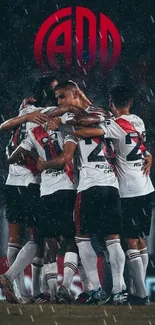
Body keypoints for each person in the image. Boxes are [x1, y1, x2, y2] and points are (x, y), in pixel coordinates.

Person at [70, 85, 154, 305]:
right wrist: (149, 156)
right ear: (131, 102)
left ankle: (140, 294)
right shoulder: (138, 121)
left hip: (128, 190)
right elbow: (140, 145)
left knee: (130, 241)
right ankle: (134, 289)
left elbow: (88, 129)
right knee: (140, 241)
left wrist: (70, 127)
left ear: (111, 103)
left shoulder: (113, 126)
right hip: (146, 187)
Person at [47, 81, 126, 305]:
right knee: (112, 238)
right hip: (110, 184)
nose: (60, 102)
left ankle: (99, 290)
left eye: (62, 97)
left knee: (82, 238)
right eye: (58, 99)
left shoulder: (77, 119)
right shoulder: (102, 111)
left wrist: (60, 116)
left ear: (75, 94)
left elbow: (78, 122)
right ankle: (119, 291)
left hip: (90, 185)